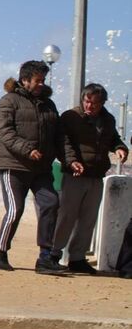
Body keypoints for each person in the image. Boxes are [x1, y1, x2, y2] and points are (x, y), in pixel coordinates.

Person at [0, 60, 64, 274]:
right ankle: (0, 253)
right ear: (24, 80)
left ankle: (45, 258)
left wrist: (70, 160)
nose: (42, 84)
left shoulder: (49, 105)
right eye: (37, 80)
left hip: (41, 168)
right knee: (16, 209)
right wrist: (27, 149)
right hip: (13, 166)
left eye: (43, 80)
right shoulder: (8, 101)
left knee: (51, 203)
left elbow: (58, 137)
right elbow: (5, 132)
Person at [51, 83, 129, 273]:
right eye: (87, 101)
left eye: (94, 103)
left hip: (96, 176)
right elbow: (64, 143)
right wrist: (72, 162)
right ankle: (53, 254)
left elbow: (113, 139)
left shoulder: (108, 120)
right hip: (74, 175)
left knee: (88, 219)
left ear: (102, 103)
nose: (90, 106)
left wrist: (120, 148)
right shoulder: (71, 117)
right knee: (66, 216)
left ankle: (77, 258)